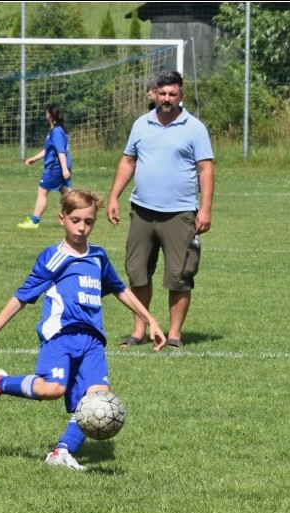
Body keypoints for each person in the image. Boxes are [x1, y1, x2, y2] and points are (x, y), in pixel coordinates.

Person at [0, 189, 167, 471]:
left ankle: (61, 452)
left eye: (88, 222)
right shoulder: (54, 258)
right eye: (75, 220)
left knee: (97, 398)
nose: (82, 228)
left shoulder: (98, 256)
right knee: (52, 389)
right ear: (62, 219)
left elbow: (120, 290)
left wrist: (150, 320)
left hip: (93, 341)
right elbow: (22, 296)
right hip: (61, 337)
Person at [106, 70, 214, 349]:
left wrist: (205, 209)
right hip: (142, 211)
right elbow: (128, 161)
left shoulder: (195, 128)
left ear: (181, 96)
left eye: (172, 94)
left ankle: (174, 336)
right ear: (154, 94)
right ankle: (139, 331)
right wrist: (113, 197)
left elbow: (205, 170)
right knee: (137, 272)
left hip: (180, 213)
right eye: (162, 93)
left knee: (179, 276)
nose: (167, 99)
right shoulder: (141, 124)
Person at [18, 104, 73, 230]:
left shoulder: (56, 131)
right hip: (60, 166)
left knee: (42, 192)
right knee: (67, 194)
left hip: (55, 168)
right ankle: (73, 217)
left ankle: (34, 221)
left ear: (49, 115)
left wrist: (64, 169)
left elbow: (60, 151)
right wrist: (34, 158)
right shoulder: (56, 130)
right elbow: (49, 149)